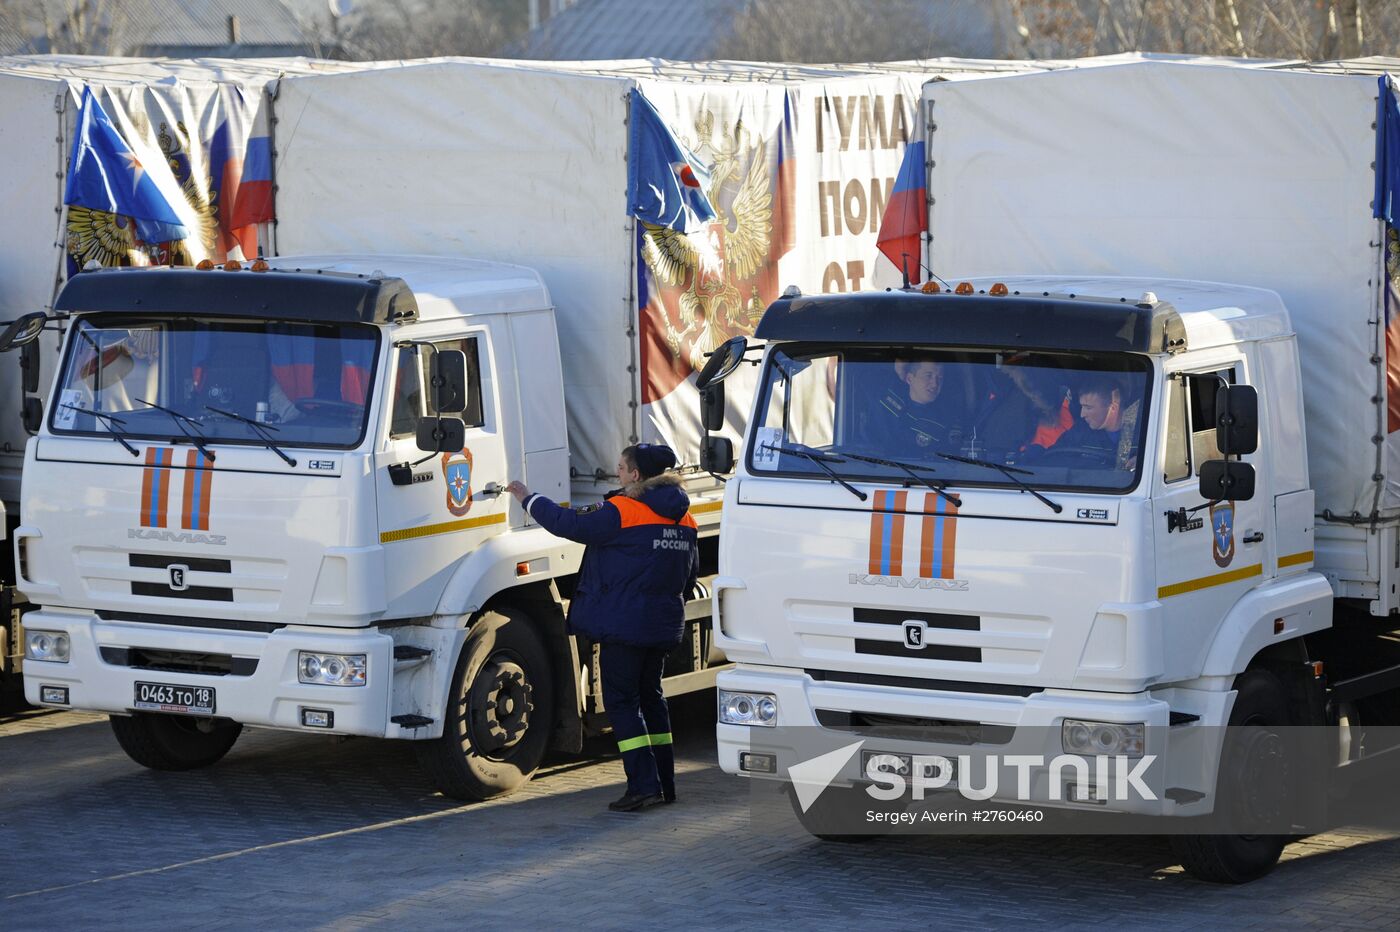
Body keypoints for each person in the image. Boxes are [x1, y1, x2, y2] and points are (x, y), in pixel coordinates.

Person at [507, 443, 698, 813]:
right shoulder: (684, 520)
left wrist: (528, 498)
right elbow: (687, 579)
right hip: (661, 628)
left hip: (624, 629)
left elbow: (570, 524)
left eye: (622, 467)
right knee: (652, 700)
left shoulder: (623, 510)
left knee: (623, 704)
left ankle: (643, 788)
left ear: (637, 476)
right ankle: (664, 783)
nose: (618, 472)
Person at [875, 358, 966, 455]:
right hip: (869, 465)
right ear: (909, 378)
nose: (935, 384)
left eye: (939, 378)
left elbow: (948, 462)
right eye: (928, 376)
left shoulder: (947, 420)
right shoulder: (886, 390)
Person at [1051, 375, 1141, 469]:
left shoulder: (1145, 432)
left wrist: (1142, 462)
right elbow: (1054, 457)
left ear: (1113, 408)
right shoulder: (1079, 431)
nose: (1082, 414)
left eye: (1088, 408)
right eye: (1082, 407)